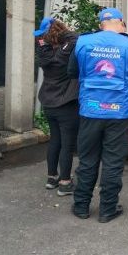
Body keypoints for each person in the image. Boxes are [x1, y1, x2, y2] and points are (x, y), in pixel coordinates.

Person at [68, 8, 128, 223]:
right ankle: (108, 209)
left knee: (88, 159)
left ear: (101, 25)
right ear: (121, 24)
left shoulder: (83, 43)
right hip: (120, 111)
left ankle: (81, 206)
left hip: (90, 109)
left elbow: (71, 72)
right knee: (113, 161)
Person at [35, 17, 80, 196]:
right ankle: (65, 182)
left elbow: (46, 43)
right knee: (67, 144)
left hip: (48, 102)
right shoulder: (65, 52)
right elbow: (75, 38)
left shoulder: (44, 51)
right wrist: (62, 31)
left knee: (55, 140)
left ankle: (51, 177)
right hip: (66, 103)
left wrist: (46, 38)